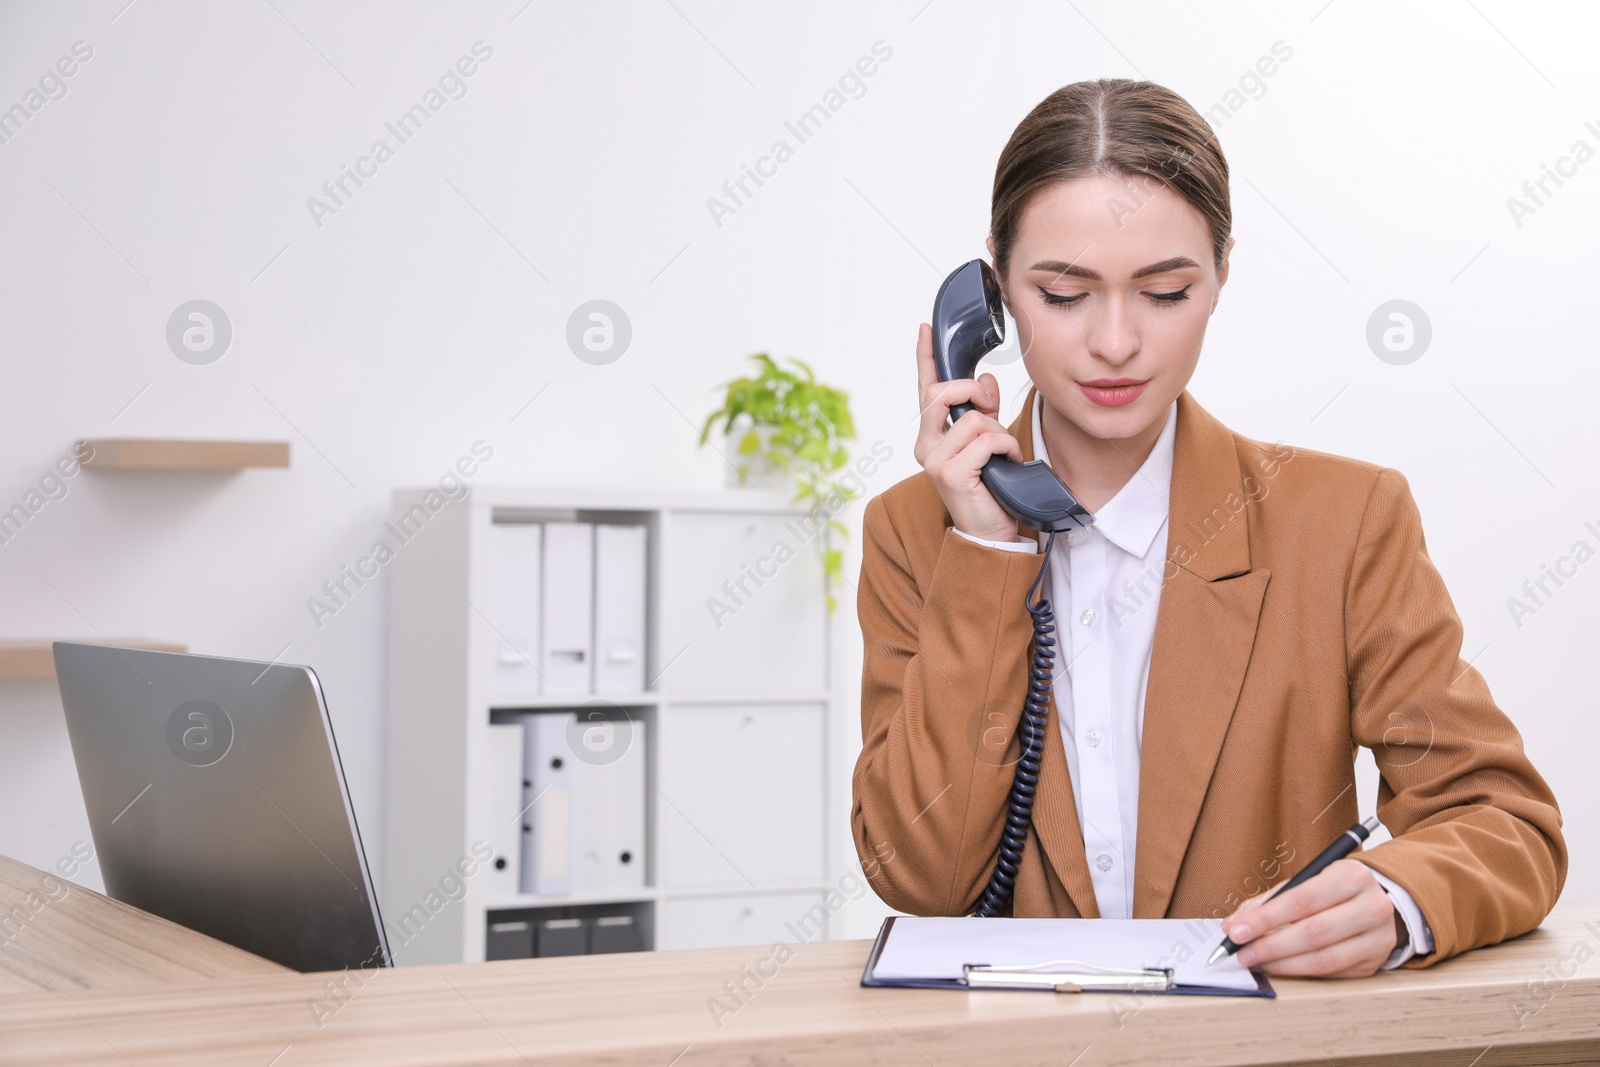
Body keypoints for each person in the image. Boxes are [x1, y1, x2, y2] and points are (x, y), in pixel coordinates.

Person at [850, 78, 1566, 977]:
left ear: (1222, 273)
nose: (1115, 342)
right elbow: (919, 875)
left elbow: (1506, 822)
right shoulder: (914, 532)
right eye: (1064, 295)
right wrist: (989, 550)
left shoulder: (1344, 521)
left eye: (1165, 291)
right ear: (991, 291)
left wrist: (1396, 899)